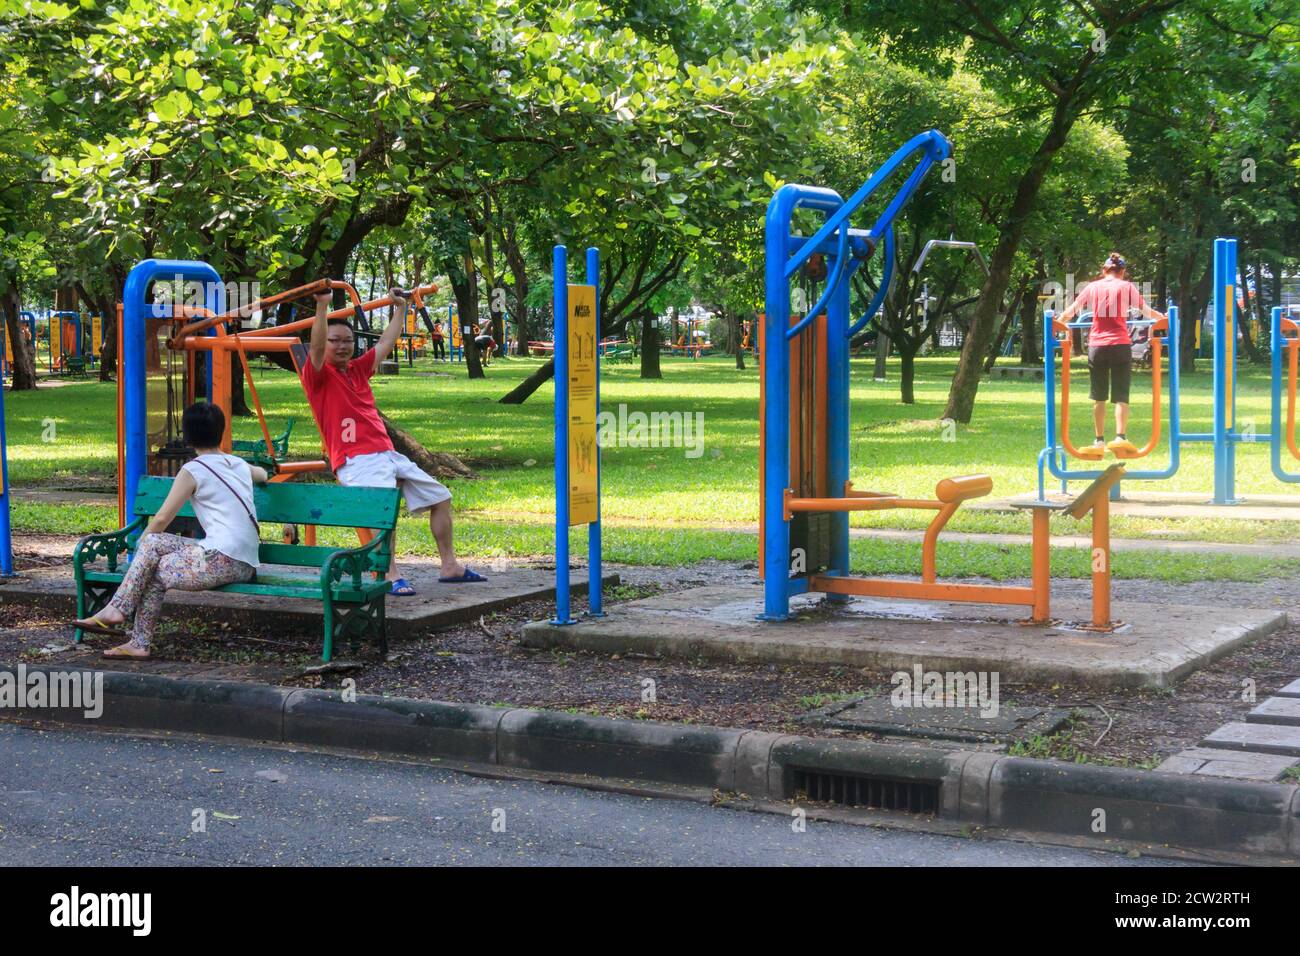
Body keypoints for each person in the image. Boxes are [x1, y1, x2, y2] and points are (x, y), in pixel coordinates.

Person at [302, 287, 484, 595]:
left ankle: (450, 566)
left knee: (440, 498)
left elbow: (386, 342)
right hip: (355, 459)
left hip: (386, 454)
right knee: (383, 512)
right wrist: (322, 307)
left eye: (348, 340)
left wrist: (401, 308)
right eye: (335, 341)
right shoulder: (317, 375)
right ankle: (389, 573)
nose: (343, 346)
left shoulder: (359, 370)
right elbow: (317, 349)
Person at [73, 403, 265, 658]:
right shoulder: (237, 463)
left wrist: (139, 543)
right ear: (222, 431)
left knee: (153, 566)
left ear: (187, 436)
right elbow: (262, 474)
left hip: (224, 559)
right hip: (240, 559)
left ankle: (129, 628)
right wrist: (265, 471)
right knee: (154, 547)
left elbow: (163, 518)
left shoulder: (193, 470)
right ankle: (125, 624)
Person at [1058, 252, 1167, 454]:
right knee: (1121, 395)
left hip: (1097, 346)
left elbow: (1071, 311)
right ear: (1122, 272)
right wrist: (1164, 318)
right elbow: (1147, 311)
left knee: (1099, 397)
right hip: (1120, 345)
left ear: (1103, 271)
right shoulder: (1126, 287)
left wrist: (1057, 323)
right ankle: (1120, 437)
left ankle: (1099, 440)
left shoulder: (1092, 287)